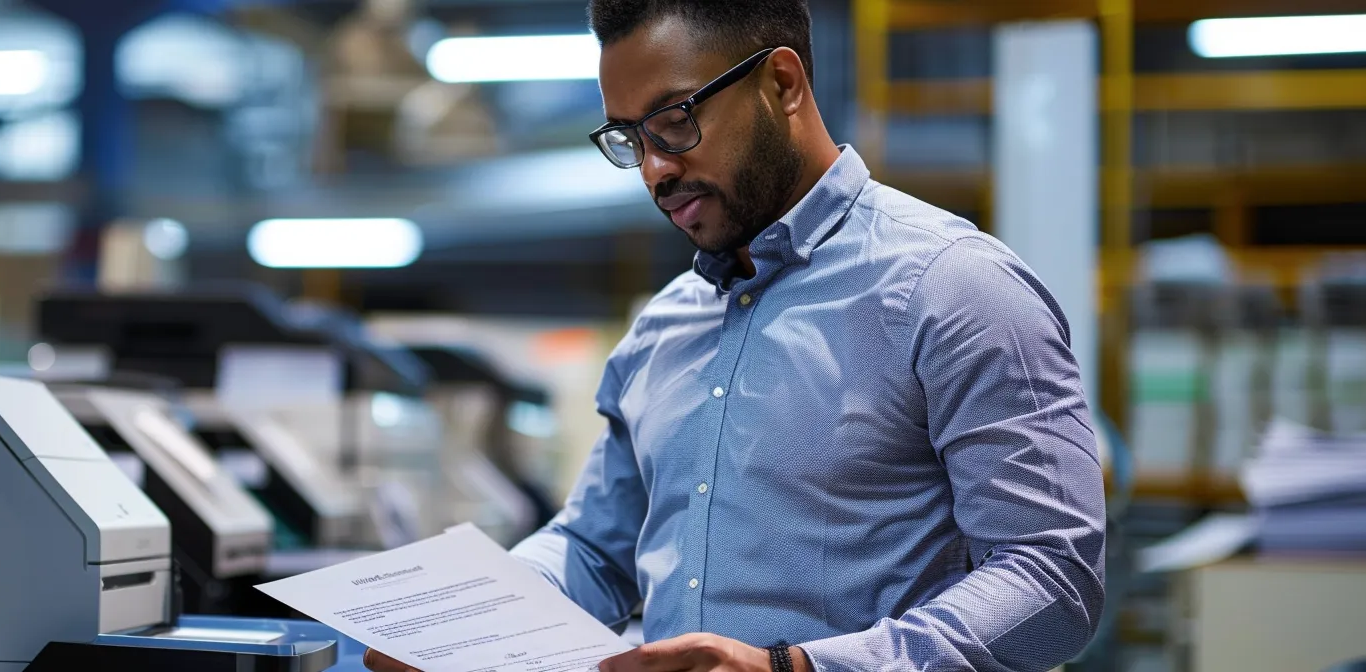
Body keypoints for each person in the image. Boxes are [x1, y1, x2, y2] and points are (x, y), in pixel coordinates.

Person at [366, 0, 1106, 670]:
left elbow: (1052, 580)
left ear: (782, 85)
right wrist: (461, 631)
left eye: (675, 119)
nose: (655, 169)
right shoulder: (663, 327)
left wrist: (800, 670)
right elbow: (594, 550)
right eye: (629, 138)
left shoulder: (953, 290)